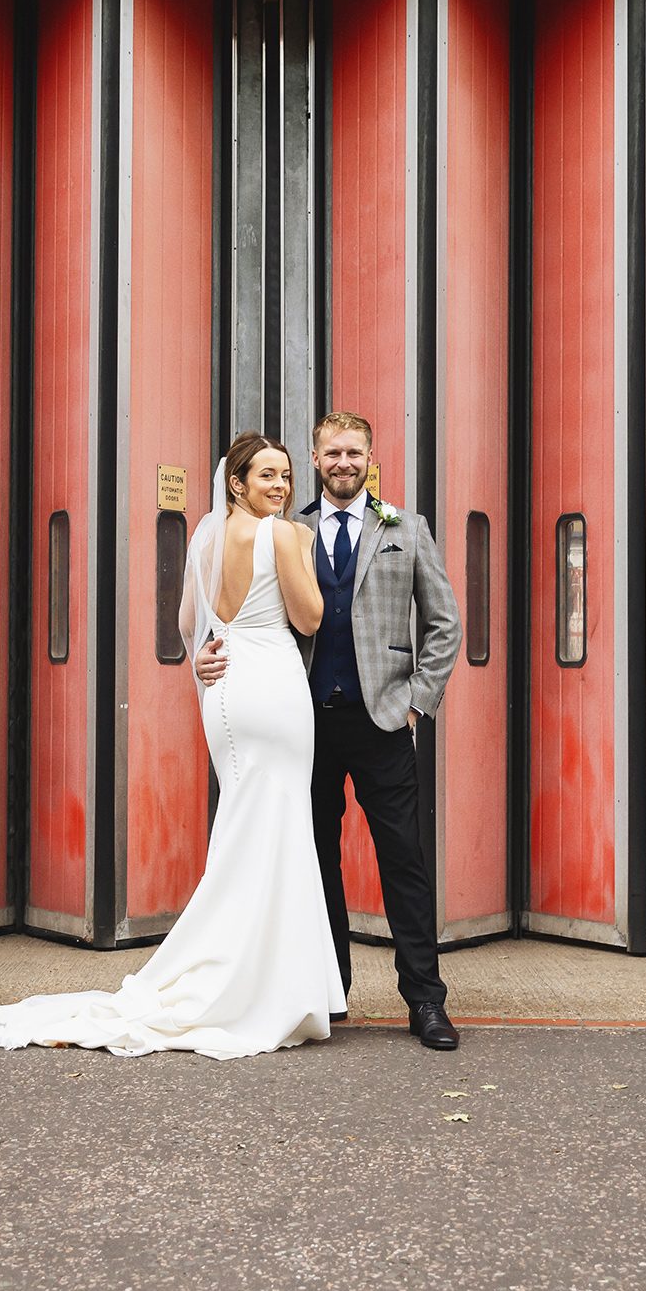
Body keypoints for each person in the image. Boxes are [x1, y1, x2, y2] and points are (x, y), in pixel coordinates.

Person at [0, 434, 345, 1059]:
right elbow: (309, 618)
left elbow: (184, 628)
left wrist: (206, 651)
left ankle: (247, 970)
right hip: (274, 691)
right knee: (275, 830)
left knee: (243, 829)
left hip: (224, 690)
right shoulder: (282, 535)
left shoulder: (206, 537)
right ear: (238, 483)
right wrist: (303, 547)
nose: (281, 487)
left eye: (285, 475)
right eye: (267, 476)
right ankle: (257, 984)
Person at [195, 411, 465, 1050]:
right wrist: (209, 653)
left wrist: (418, 703)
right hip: (305, 723)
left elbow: (444, 624)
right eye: (331, 453)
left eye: (354, 453)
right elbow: (237, 611)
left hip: (383, 723)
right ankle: (329, 987)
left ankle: (425, 1001)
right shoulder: (287, 528)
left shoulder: (408, 529)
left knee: (404, 861)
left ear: (370, 459)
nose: (343, 463)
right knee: (316, 861)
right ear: (315, 461)